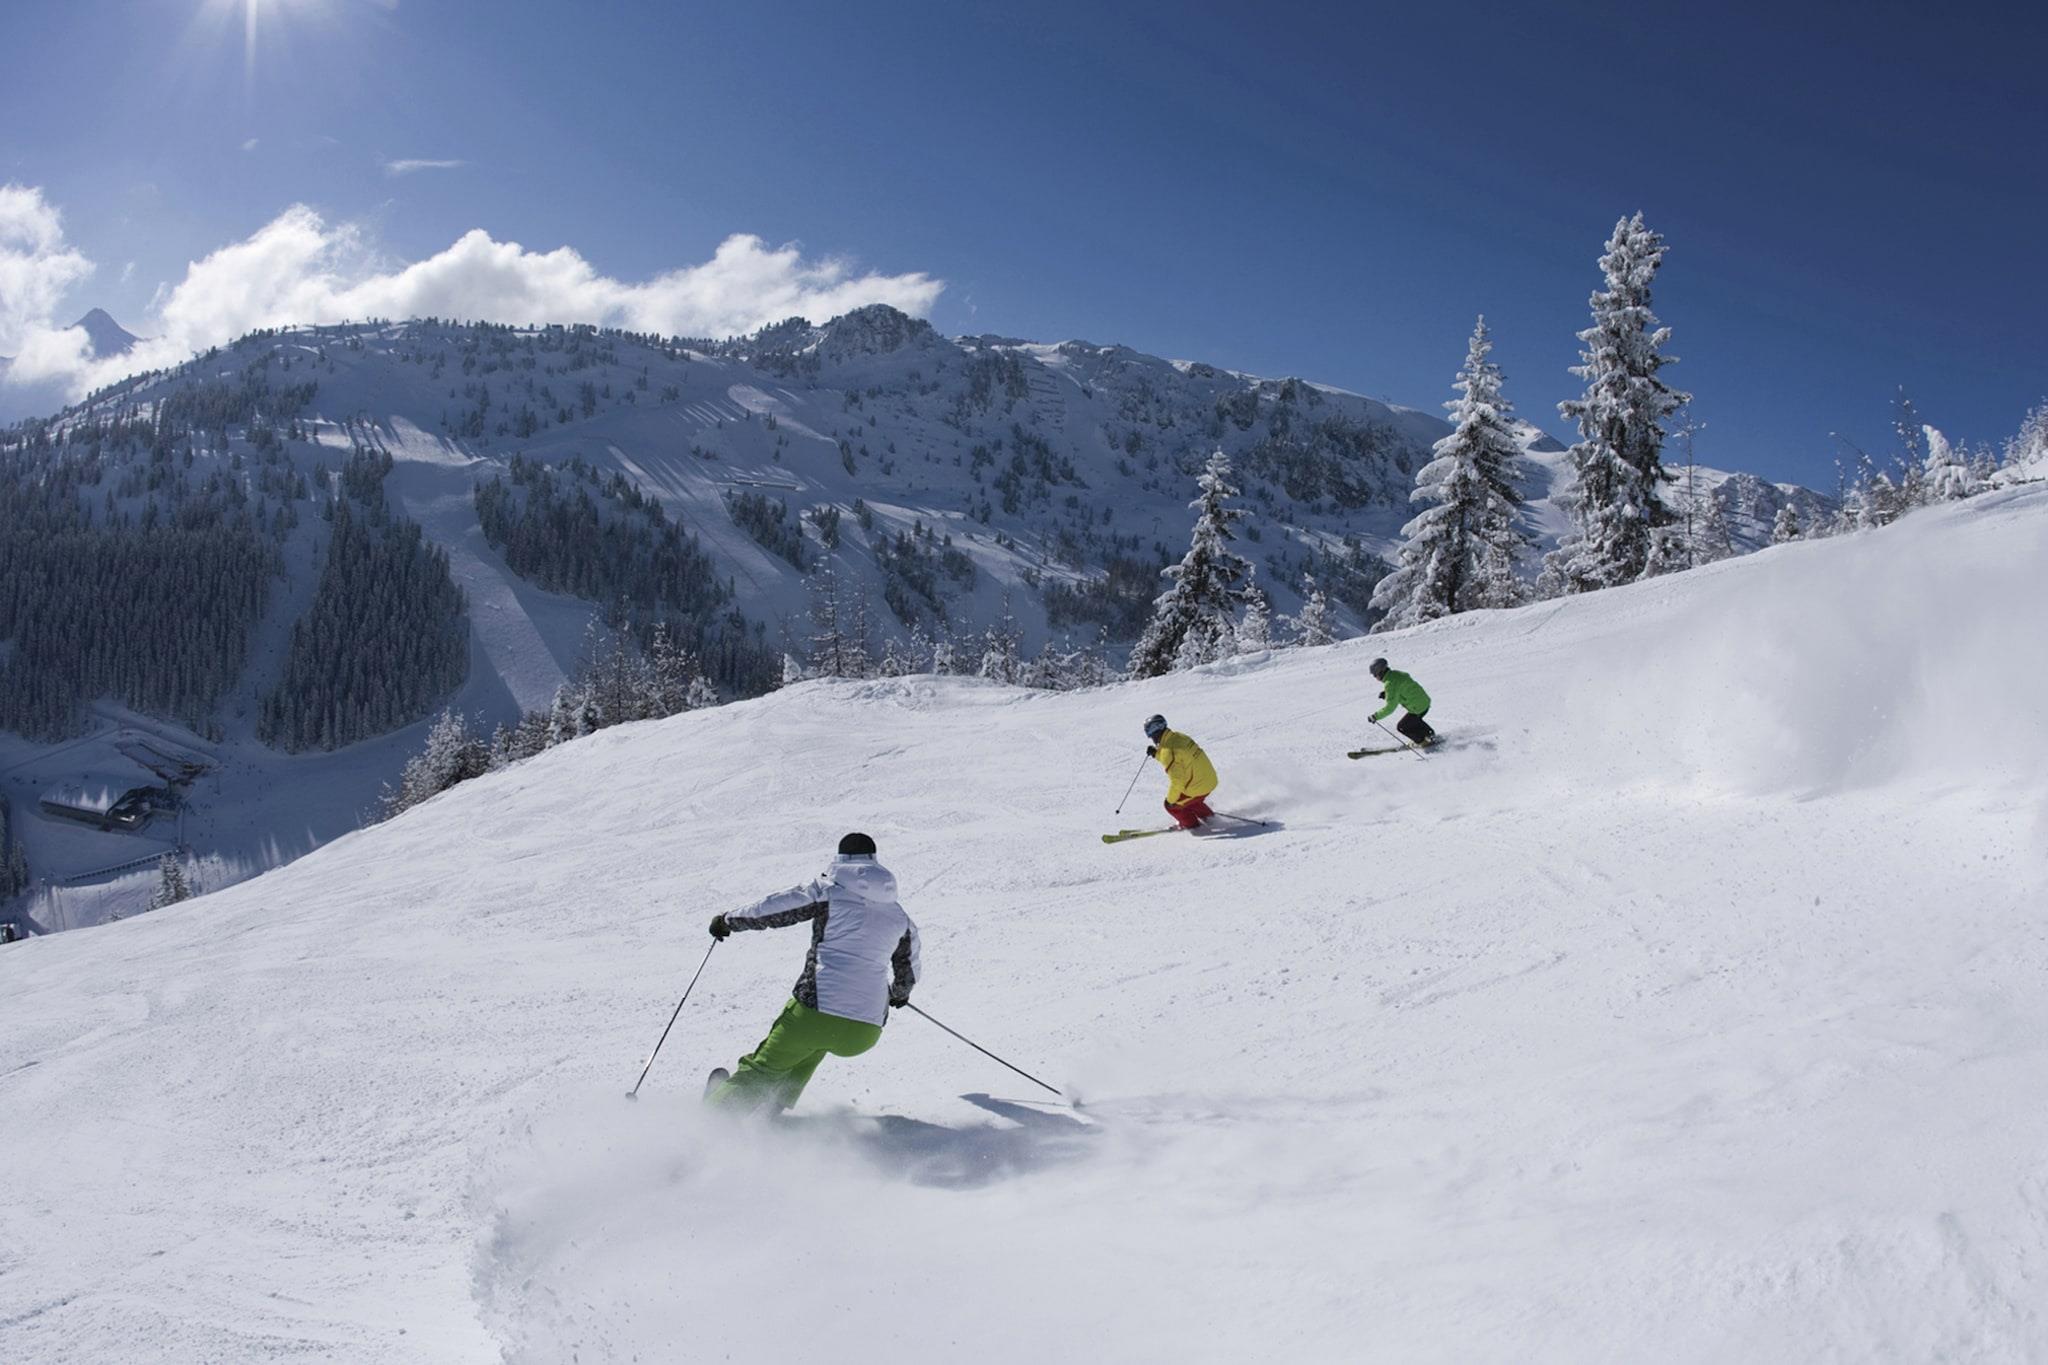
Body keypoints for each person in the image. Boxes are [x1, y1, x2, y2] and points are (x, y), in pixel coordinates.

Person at [704, 832, 920, 1113]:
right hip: (864, 1031)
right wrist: (899, 995)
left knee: (766, 1066)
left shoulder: (829, 891)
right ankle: (770, 1108)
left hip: (816, 1011)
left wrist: (727, 921)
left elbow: (776, 909)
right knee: (812, 1047)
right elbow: (908, 970)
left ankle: (713, 1119)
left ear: (840, 859)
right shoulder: (900, 917)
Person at [1144, 714, 1218, 830]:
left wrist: (1170, 801)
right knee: (1189, 801)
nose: (1150, 738)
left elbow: (1177, 781)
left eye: (1149, 734)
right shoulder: (1179, 736)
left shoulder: (1168, 752)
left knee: (1172, 806)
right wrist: (1156, 753)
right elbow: (1176, 757)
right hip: (1210, 780)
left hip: (1198, 788)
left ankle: (1193, 826)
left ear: (1155, 732)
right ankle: (1209, 817)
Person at [1367, 658, 1436, 746]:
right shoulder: (1396, 674)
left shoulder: (1390, 684)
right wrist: (1387, 694)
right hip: (1424, 701)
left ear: (1380, 672)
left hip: (1417, 707)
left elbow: (1390, 708)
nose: (1375, 677)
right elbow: (1402, 688)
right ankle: (1429, 734)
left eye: (1374, 675)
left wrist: (1375, 716)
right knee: (1413, 720)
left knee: (1402, 727)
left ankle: (1422, 741)